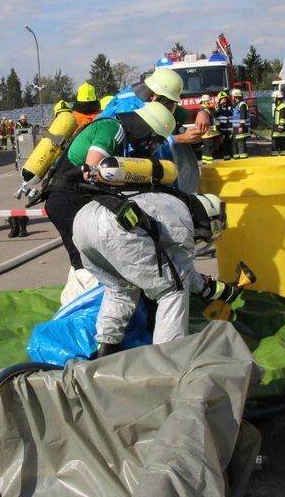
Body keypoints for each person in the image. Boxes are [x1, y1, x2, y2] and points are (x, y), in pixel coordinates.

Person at [43, 101, 177, 300]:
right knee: (90, 262)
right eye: (154, 141)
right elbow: (92, 171)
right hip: (69, 200)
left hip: (67, 199)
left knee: (83, 259)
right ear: (146, 129)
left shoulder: (116, 132)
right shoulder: (112, 129)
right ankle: (83, 314)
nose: (151, 146)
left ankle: (75, 306)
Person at [74, 190, 232, 355]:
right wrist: (216, 290)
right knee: (173, 288)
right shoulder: (183, 217)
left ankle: (106, 348)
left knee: (120, 289)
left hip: (83, 221)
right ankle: (168, 358)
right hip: (115, 226)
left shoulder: (168, 201)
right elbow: (184, 274)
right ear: (207, 218)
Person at [97, 67, 208, 192]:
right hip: (121, 173)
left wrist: (202, 113)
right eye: (169, 102)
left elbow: (189, 115)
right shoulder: (128, 108)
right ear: (153, 95)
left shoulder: (159, 100)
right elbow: (135, 149)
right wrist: (179, 139)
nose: (170, 108)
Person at [230, 88, 250, 159]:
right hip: (236, 129)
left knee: (241, 147)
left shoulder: (242, 105)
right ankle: (237, 161)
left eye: (232, 96)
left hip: (241, 129)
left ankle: (243, 161)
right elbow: (235, 118)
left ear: (236, 97)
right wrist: (233, 128)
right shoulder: (236, 106)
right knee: (235, 146)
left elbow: (242, 116)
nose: (232, 98)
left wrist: (241, 126)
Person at [198, 94, 218, 165]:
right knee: (209, 147)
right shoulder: (204, 110)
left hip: (206, 132)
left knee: (205, 147)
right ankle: (210, 163)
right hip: (207, 132)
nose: (209, 102)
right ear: (204, 102)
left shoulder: (205, 109)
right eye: (208, 101)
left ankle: (205, 161)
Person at [214, 91, 233, 160]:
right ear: (219, 100)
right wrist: (220, 106)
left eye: (225, 98)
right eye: (222, 99)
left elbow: (231, 113)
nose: (224, 100)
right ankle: (226, 158)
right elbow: (215, 114)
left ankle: (231, 157)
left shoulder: (230, 106)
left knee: (231, 144)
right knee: (224, 145)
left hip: (230, 129)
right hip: (222, 130)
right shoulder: (217, 107)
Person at [271, 91, 285, 157]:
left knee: (281, 145)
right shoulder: (277, 106)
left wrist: (280, 127)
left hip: (279, 131)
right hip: (276, 130)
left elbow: (282, 118)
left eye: (274, 98)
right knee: (275, 146)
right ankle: (275, 158)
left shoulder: (282, 107)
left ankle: (283, 159)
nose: (273, 99)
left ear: (277, 98)